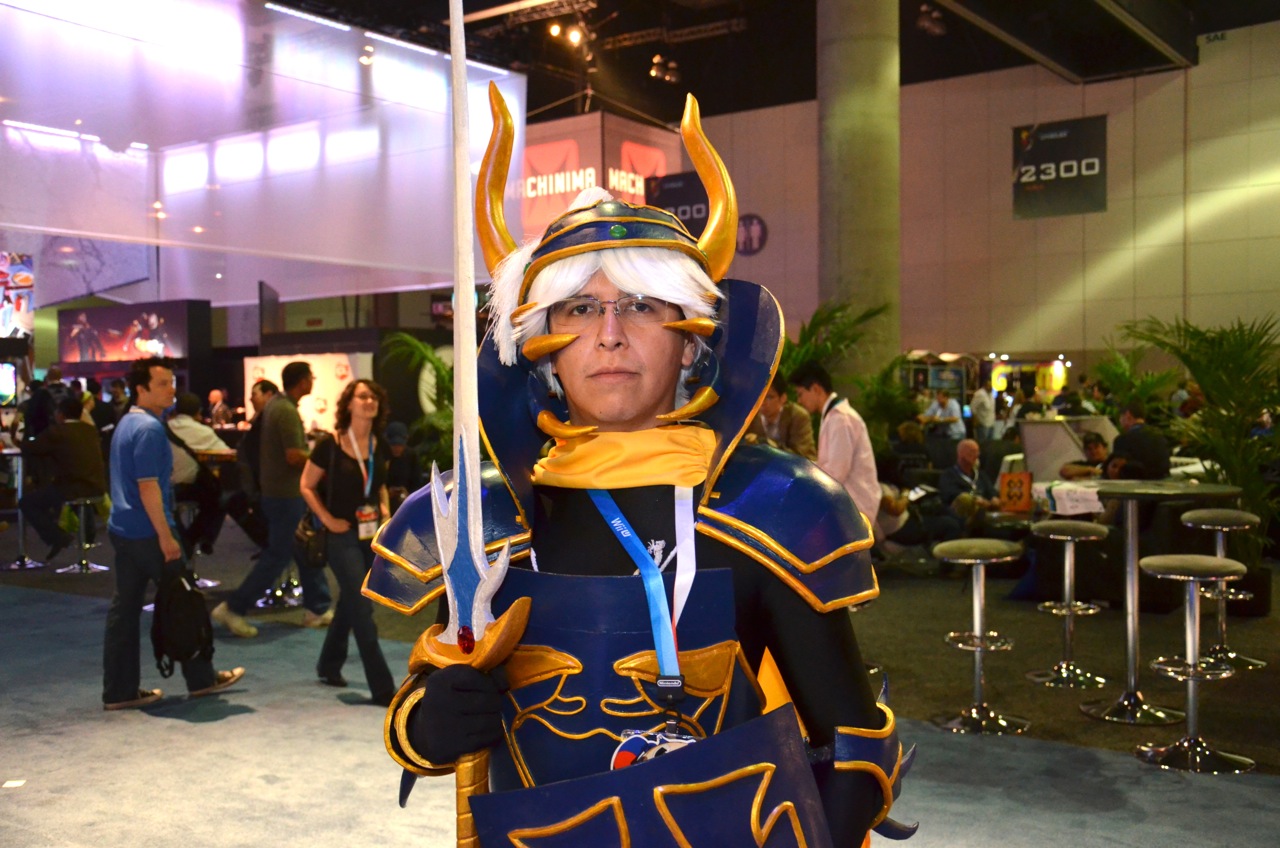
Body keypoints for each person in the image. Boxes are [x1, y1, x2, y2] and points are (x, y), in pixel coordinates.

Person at [364, 94, 909, 847]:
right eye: (579, 309)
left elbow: (854, 750)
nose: (611, 335)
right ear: (541, 345)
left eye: (644, 306)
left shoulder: (772, 505)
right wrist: (432, 722)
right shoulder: (485, 517)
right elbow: (418, 725)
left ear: (691, 343)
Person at [102, 357, 244, 710]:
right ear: (141, 388)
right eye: (163, 383)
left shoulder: (126, 423)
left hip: (124, 529)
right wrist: (166, 536)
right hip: (151, 532)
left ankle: (119, 691)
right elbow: (148, 487)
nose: (172, 389)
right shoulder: (149, 429)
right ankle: (202, 679)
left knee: (125, 611)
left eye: (172, 382)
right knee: (184, 602)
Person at [213, 362, 332, 638]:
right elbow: (293, 455)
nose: (312, 382)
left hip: (280, 492)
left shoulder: (277, 406)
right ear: (303, 381)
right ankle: (233, 607)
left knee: (303, 549)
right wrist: (320, 461)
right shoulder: (285, 410)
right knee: (279, 555)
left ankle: (317, 607)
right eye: (311, 378)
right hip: (285, 494)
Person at [300, 379, 395, 705]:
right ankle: (383, 687)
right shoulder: (330, 444)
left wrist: (385, 511)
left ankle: (328, 665)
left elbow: (379, 486)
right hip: (340, 537)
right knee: (362, 607)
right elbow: (306, 485)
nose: (369, 401)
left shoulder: (379, 446)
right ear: (349, 404)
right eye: (362, 396)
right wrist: (327, 520)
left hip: (370, 536)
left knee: (351, 602)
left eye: (374, 396)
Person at [790, 361, 881, 526]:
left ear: (816, 389)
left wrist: (803, 473)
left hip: (856, 507)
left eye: (801, 394)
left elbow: (836, 473)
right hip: (846, 502)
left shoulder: (840, 419)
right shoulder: (833, 415)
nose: (799, 401)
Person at [20, 394, 106, 560]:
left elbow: (31, 448)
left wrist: (16, 440)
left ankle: (57, 537)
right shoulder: (89, 430)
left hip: (71, 487)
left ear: (60, 414)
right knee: (73, 499)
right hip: (96, 486)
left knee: (27, 503)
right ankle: (87, 538)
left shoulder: (57, 432)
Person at [168, 392, 233, 555]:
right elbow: (227, 453)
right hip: (188, 487)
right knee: (219, 497)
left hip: (163, 488)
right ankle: (198, 539)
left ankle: (187, 542)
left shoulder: (162, 428)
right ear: (198, 412)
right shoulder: (202, 431)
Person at [745, 373, 817, 460]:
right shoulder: (750, 418)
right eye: (759, 397)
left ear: (783, 398)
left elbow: (803, 456)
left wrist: (769, 445)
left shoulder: (797, 416)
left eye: (769, 397)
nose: (763, 403)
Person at [938, 438, 1000, 523]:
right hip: (962, 516)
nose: (977, 455)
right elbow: (952, 495)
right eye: (972, 451)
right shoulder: (949, 475)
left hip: (986, 511)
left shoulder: (981, 475)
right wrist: (975, 500)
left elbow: (991, 490)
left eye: (978, 451)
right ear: (961, 454)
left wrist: (994, 498)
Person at [1111, 399, 1170, 480]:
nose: (1120, 421)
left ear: (1128, 415)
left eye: (1120, 416)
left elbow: (1117, 471)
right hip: (1161, 483)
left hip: (1132, 485)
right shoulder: (1160, 437)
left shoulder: (1122, 440)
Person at [383, 421, 423, 514]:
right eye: (393, 445)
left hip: (406, 503)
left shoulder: (411, 456)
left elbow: (417, 482)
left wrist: (408, 493)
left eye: (400, 445)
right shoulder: (382, 457)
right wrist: (387, 492)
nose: (397, 448)